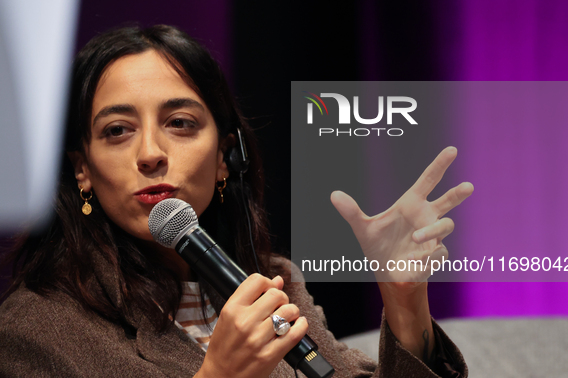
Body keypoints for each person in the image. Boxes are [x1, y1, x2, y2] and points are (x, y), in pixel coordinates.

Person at [0, 25, 473, 377]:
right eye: (117, 131)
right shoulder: (34, 328)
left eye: (180, 123)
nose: (150, 154)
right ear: (83, 169)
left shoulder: (274, 280)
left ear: (226, 157)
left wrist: (405, 300)